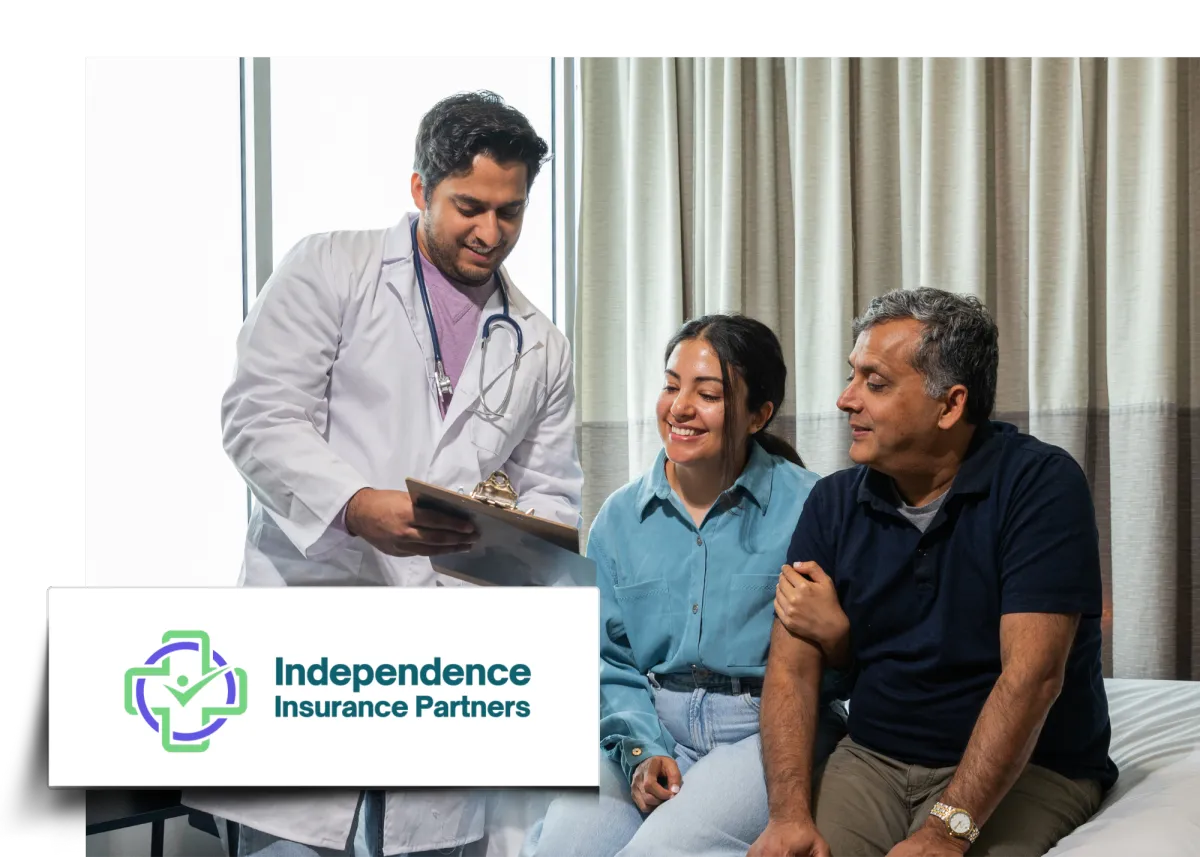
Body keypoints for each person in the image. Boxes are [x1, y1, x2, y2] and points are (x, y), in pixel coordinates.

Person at [184, 91, 584, 857]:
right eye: (470, 206)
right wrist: (355, 505)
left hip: (444, 662)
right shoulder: (330, 268)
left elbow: (551, 494)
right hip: (315, 620)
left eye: (512, 211)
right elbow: (257, 417)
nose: (491, 232)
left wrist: (522, 558)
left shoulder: (540, 344)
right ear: (418, 189)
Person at [749, 287, 1118, 857]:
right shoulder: (833, 502)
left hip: (1034, 768)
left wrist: (946, 832)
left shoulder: (1040, 486)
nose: (846, 400)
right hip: (873, 758)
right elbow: (792, 669)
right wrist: (788, 816)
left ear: (950, 406)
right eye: (853, 377)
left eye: (875, 383)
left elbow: (1032, 678)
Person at [521, 314, 851, 857]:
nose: (679, 408)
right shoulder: (620, 519)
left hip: (762, 731)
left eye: (708, 394)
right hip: (652, 718)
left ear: (758, 415)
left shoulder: (814, 507)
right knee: (563, 845)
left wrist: (840, 640)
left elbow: (849, 664)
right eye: (672, 386)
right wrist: (638, 750)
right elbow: (607, 661)